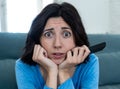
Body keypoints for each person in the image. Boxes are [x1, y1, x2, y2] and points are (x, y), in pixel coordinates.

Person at [15, 2, 99, 89]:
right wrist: (52, 72)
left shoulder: (90, 62)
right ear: (38, 39)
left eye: (66, 34)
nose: (57, 44)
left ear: (77, 37)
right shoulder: (23, 66)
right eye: (48, 35)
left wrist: (64, 72)